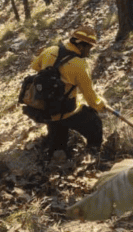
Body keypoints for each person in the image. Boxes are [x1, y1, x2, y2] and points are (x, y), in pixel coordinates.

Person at [31, 26, 106, 158]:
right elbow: (91, 99)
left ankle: (56, 155)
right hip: (67, 112)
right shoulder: (80, 65)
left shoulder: (51, 50)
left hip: (45, 109)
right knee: (95, 123)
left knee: (57, 141)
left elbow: (35, 66)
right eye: (89, 48)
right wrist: (101, 106)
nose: (89, 52)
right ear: (81, 46)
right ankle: (94, 154)